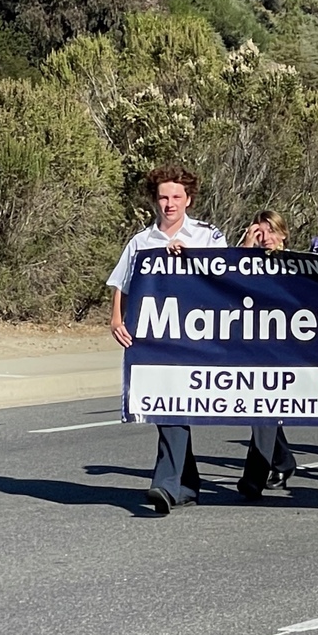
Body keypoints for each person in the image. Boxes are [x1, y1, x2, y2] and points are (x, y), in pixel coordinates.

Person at [107, 165, 226, 515]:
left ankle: (166, 484)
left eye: (176, 197)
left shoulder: (207, 235)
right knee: (165, 406)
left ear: (188, 199)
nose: (169, 204)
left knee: (176, 406)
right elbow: (121, 283)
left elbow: (228, 277)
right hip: (153, 339)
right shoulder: (141, 241)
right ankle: (183, 485)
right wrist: (117, 318)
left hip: (197, 336)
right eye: (163, 197)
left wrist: (191, 258)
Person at [236, 210, 299, 499]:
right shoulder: (249, 262)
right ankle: (283, 461)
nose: (266, 239)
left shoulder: (297, 264)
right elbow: (226, 277)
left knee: (264, 408)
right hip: (254, 346)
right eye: (259, 232)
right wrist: (247, 244)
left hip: (287, 347)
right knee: (260, 408)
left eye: (271, 231)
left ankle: (254, 477)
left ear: (283, 233)